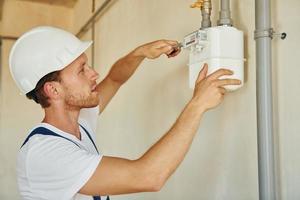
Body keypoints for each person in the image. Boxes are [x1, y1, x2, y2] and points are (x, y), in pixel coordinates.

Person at [9, 26, 241, 200]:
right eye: (82, 70)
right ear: (53, 89)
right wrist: (197, 105)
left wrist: (140, 53)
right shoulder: (45, 154)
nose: (94, 74)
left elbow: (115, 78)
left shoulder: (80, 121)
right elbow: (149, 177)